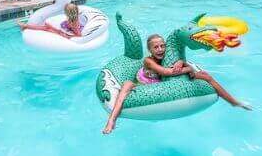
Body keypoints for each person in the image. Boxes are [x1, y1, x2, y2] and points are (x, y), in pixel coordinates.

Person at [102, 33, 251, 134]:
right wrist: (189, 68)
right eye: (156, 47)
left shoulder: (167, 56)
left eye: (163, 46)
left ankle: (233, 101)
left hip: (162, 82)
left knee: (206, 76)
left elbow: (177, 64)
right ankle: (111, 120)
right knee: (127, 85)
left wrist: (182, 63)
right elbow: (167, 73)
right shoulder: (148, 60)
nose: (160, 49)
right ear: (149, 50)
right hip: (144, 83)